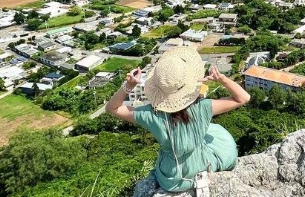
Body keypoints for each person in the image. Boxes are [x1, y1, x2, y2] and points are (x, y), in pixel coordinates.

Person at [106, 45, 250, 194]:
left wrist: (129, 85)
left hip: (171, 178)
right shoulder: (203, 107)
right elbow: (243, 98)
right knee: (215, 131)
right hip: (202, 167)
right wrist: (222, 79)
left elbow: (112, 108)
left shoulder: (151, 115)